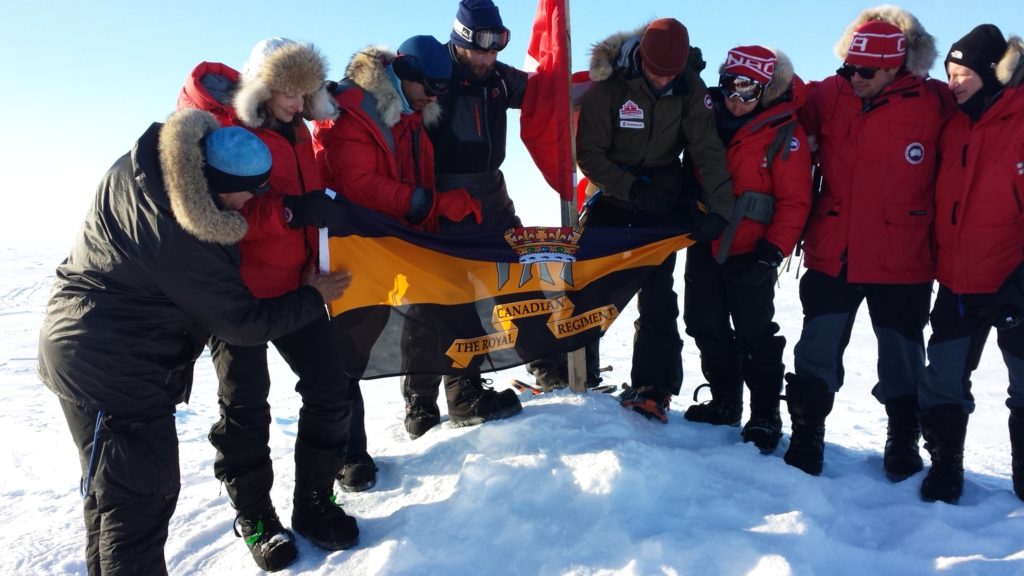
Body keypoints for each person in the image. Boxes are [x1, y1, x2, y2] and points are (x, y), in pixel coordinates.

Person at [36, 107, 351, 576]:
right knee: (139, 504)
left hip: (91, 346)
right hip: (113, 368)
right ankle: (255, 516)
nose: (252, 202)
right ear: (218, 182)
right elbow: (240, 323)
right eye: (249, 192)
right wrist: (311, 296)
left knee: (115, 502)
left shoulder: (147, 167)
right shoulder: (184, 234)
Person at [200, 38, 362, 570]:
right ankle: (256, 517)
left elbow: (306, 206)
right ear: (264, 88)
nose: (298, 103)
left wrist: (314, 245)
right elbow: (226, 216)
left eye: (305, 92)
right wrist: (293, 212)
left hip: (298, 288)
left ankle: (313, 503)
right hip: (238, 294)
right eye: (288, 92)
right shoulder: (227, 134)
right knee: (246, 411)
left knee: (331, 391)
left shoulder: (299, 133)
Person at [789, 7, 951, 478]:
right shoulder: (830, 93)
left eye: (866, 72)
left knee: (902, 354)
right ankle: (807, 431)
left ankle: (902, 437)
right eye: (848, 67)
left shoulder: (935, 101)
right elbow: (779, 101)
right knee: (816, 348)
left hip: (903, 254)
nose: (854, 78)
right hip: (833, 248)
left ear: (895, 67)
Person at [312, 35, 487, 441]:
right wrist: (434, 203)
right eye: (430, 88)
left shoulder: (410, 114)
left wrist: (435, 214)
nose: (434, 97)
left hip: (400, 239)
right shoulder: (351, 113)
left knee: (438, 310)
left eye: (442, 90)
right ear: (404, 76)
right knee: (349, 351)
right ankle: (347, 450)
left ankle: (429, 405)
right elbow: (360, 186)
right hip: (356, 249)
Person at [576, 17, 736, 423]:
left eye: (671, 73)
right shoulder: (609, 85)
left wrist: (720, 209)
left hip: (662, 200)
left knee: (658, 297)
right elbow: (589, 154)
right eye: (655, 71)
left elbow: (707, 150)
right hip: (611, 195)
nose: (663, 80)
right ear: (640, 58)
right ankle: (571, 367)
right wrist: (630, 188)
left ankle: (653, 385)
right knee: (587, 286)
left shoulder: (689, 88)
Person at [680, 45, 811, 454]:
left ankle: (765, 415)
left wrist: (773, 253)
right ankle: (724, 402)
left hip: (753, 248)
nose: (737, 100)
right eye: (730, 87)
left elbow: (795, 200)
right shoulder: (706, 118)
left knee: (756, 334)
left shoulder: (785, 131)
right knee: (704, 324)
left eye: (748, 91)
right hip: (706, 241)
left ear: (767, 91)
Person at [919, 25, 1024, 504]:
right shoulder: (951, 122)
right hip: (959, 282)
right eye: (950, 72)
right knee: (943, 378)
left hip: (1014, 282)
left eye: (965, 74)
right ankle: (945, 467)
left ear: (992, 74)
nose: (955, 82)